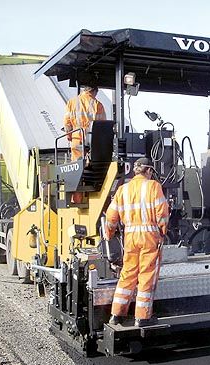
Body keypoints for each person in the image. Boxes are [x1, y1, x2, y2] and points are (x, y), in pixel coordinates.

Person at [104, 158, 169, 327]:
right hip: (149, 236)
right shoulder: (153, 186)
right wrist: (162, 233)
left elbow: (111, 217)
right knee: (146, 276)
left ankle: (116, 315)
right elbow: (162, 213)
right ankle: (142, 317)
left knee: (128, 274)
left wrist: (109, 234)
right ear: (148, 171)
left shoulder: (122, 190)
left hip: (130, 237)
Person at [63, 85, 106, 203]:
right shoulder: (98, 105)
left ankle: (76, 200)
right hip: (93, 142)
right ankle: (92, 197)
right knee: (92, 169)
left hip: (77, 139)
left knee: (76, 170)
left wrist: (70, 136)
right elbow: (102, 126)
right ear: (94, 91)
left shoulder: (72, 102)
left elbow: (67, 123)